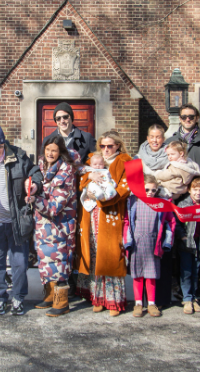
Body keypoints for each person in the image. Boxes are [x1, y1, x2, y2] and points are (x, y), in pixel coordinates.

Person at [0, 122, 42, 316]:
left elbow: (35, 172)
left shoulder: (18, 157)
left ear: (4, 143)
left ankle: (18, 299)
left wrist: (35, 186)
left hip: (16, 221)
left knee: (19, 264)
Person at [76, 131, 132, 317]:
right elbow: (79, 178)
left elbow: (125, 188)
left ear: (118, 145)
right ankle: (97, 298)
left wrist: (103, 199)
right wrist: (89, 178)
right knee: (94, 253)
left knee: (111, 254)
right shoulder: (94, 159)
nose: (106, 149)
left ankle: (113, 300)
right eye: (103, 145)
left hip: (111, 212)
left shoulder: (125, 161)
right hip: (91, 214)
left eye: (110, 146)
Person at [33, 135, 79, 317]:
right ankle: (50, 294)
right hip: (44, 226)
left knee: (60, 263)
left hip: (61, 226)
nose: (50, 153)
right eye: (47, 149)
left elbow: (54, 207)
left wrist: (34, 200)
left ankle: (63, 301)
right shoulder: (42, 167)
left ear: (60, 152)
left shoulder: (65, 172)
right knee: (46, 260)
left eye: (54, 150)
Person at [123, 175, 175, 318]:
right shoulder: (133, 202)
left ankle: (151, 303)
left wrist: (167, 242)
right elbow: (127, 221)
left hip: (153, 243)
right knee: (137, 275)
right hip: (137, 243)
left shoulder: (160, 203)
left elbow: (170, 222)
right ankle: (138, 303)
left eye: (153, 190)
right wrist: (128, 241)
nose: (150, 192)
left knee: (151, 276)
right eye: (147, 189)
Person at [175, 177, 200, 314]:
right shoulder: (183, 204)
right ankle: (187, 299)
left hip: (199, 244)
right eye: (195, 190)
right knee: (186, 272)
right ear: (189, 190)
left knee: (196, 272)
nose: (198, 193)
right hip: (186, 245)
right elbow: (176, 223)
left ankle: (194, 297)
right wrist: (182, 235)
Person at [165, 104, 200, 180]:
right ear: (180, 118)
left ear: (197, 118)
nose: (187, 119)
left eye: (191, 117)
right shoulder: (169, 142)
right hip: (177, 190)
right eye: (184, 117)